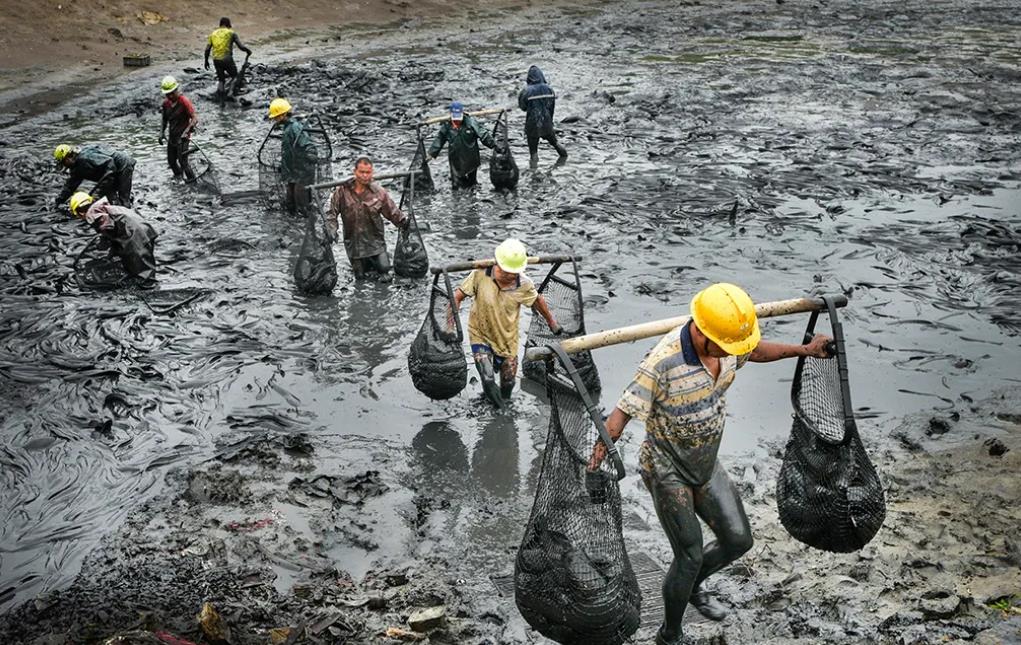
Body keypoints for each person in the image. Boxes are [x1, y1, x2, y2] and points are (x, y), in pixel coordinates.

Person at [587, 283, 833, 645]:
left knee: (738, 540)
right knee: (687, 555)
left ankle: (693, 585)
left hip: (705, 461)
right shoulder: (662, 362)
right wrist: (596, 461)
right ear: (701, 333)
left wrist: (805, 350)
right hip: (667, 468)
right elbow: (621, 414)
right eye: (727, 346)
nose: (734, 353)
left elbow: (754, 351)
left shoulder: (728, 344)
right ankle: (670, 635)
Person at [453, 239, 562, 407]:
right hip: (480, 334)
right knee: (488, 378)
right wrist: (450, 322)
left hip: (507, 340)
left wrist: (551, 322)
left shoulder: (524, 283)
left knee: (508, 383)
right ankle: (502, 413)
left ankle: (499, 403)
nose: (510, 276)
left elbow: (537, 300)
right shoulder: (480, 274)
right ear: (497, 264)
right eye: (506, 272)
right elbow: (458, 296)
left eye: (514, 273)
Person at [327, 157, 408, 281]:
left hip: (375, 242)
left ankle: (379, 261)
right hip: (354, 244)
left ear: (372, 173)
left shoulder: (380, 193)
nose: (364, 176)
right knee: (359, 277)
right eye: (361, 172)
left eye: (368, 172)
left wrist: (405, 223)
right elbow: (331, 214)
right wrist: (331, 230)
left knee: (385, 270)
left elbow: (393, 212)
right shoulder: (342, 192)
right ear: (355, 172)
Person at [68, 191, 158, 283]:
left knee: (144, 270)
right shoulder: (103, 207)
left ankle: (150, 290)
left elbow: (107, 227)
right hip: (144, 228)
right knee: (135, 261)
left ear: (80, 213)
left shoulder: (92, 213)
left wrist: (103, 243)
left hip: (135, 234)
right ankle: (140, 280)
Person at [428, 101, 495, 189]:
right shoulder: (447, 126)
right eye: (455, 118)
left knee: (472, 184)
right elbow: (440, 139)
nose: (457, 121)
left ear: (462, 114)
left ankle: (472, 194)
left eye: (458, 118)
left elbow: (483, 133)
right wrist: (431, 153)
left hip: (471, 157)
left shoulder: (471, 123)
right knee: (456, 185)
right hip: (456, 159)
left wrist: (493, 145)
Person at [269, 98, 317, 216]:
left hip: (302, 171)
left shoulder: (295, 127)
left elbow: (307, 144)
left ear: (284, 114)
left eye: (277, 116)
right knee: (290, 202)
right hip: (293, 170)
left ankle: (306, 225)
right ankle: (293, 226)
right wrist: (283, 165)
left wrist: (310, 156)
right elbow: (289, 150)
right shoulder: (287, 128)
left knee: (301, 203)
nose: (275, 119)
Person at [54, 144, 135, 208]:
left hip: (123, 166)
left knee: (123, 198)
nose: (65, 166)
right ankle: (116, 211)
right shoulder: (76, 169)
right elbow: (70, 186)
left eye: (63, 163)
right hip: (109, 172)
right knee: (110, 197)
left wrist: (104, 185)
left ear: (67, 158)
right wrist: (59, 201)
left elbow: (110, 163)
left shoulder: (85, 157)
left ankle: (127, 214)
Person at [517, 65, 567, 166]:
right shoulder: (550, 90)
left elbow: (523, 107)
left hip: (532, 125)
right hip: (547, 123)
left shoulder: (526, 91)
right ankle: (564, 161)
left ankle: (534, 171)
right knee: (556, 144)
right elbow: (551, 107)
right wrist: (550, 121)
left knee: (533, 152)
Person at [158, 76, 198, 181]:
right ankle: (179, 177)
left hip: (183, 138)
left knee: (183, 162)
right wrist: (161, 133)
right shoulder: (165, 104)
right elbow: (164, 120)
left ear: (176, 90)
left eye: (172, 93)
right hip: (172, 137)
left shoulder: (184, 101)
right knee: (171, 161)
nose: (170, 96)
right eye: (168, 94)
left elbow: (194, 118)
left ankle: (192, 181)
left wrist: (187, 131)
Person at [204, 17, 253, 99]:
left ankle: (220, 96)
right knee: (235, 76)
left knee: (221, 80)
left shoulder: (213, 34)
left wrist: (206, 61)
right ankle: (230, 93)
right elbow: (241, 46)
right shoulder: (231, 33)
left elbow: (207, 49)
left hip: (216, 60)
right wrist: (248, 51)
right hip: (227, 59)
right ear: (228, 24)